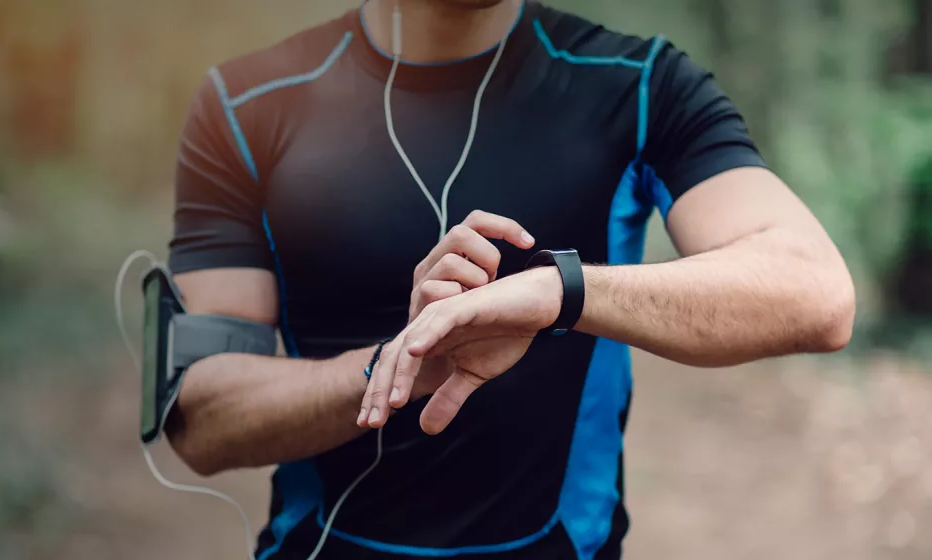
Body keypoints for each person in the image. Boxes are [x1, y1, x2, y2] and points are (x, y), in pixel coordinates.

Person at [164, 0, 856, 558]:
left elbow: (814, 291)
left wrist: (559, 294)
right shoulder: (246, 103)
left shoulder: (640, 86)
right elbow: (200, 419)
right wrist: (396, 365)